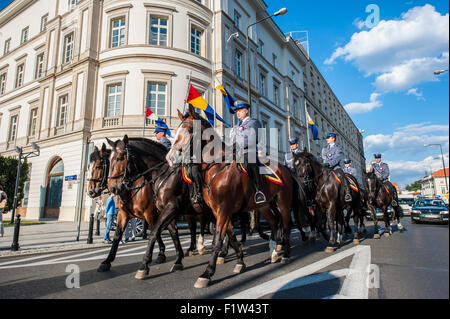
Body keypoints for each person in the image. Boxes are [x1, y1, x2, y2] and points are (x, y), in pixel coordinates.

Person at [231, 100, 266, 204]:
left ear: (246, 111)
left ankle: (259, 191)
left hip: (248, 152)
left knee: (251, 162)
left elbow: (253, 138)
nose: (237, 112)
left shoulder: (254, 122)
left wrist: (237, 145)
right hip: (237, 153)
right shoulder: (236, 126)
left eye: (240, 110)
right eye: (236, 110)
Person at [321, 132, 352, 202]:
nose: (327, 139)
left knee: (342, 175)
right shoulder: (324, 149)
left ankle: (347, 193)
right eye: (327, 138)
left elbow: (337, 158)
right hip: (326, 168)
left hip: (335, 167)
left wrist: (329, 164)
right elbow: (323, 158)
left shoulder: (338, 148)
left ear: (333, 138)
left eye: (328, 138)